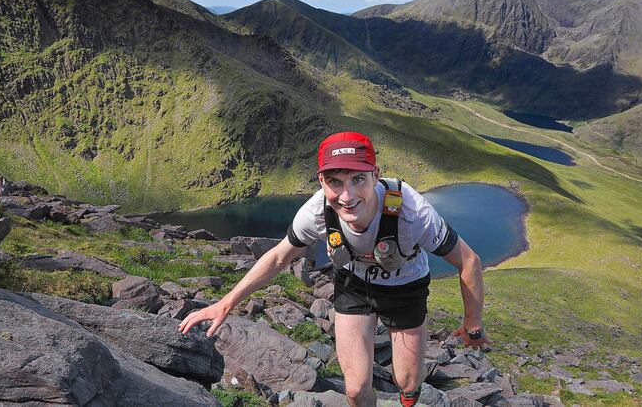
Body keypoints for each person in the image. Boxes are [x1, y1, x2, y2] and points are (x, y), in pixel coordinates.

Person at [179, 131, 490, 407]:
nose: (347, 196)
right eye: (335, 182)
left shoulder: (412, 211)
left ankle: (409, 399)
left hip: (405, 287)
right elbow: (277, 258)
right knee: (355, 389)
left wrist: (473, 324)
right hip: (353, 284)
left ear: (375, 176)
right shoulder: (316, 211)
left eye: (358, 180)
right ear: (321, 181)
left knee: (407, 381)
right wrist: (226, 302)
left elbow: (468, 261)